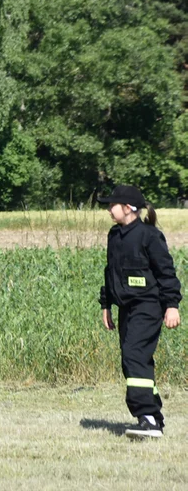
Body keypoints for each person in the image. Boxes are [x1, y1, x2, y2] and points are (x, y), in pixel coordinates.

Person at [98, 185, 181, 439]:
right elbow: (110, 271)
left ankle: (147, 418)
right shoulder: (115, 235)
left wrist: (171, 305)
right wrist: (106, 304)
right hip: (126, 308)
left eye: (112, 205)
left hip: (149, 306)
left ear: (128, 208)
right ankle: (154, 416)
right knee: (131, 360)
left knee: (134, 355)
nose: (109, 210)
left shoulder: (149, 236)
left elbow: (166, 272)